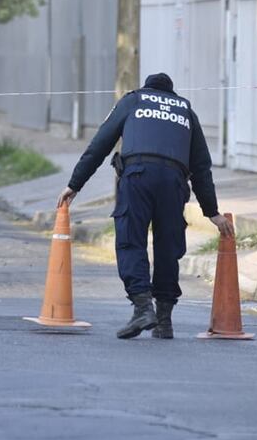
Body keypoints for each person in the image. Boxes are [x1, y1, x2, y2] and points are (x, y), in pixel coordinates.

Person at [57, 73, 235, 340]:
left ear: (146, 87)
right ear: (170, 93)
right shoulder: (185, 109)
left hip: (137, 177)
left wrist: (75, 183)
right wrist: (212, 212)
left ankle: (143, 308)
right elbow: (201, 167)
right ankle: (164, 320)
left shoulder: (133, 101)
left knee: (131, 240)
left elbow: (100, 145)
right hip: (174, 181)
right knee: (167, 246)